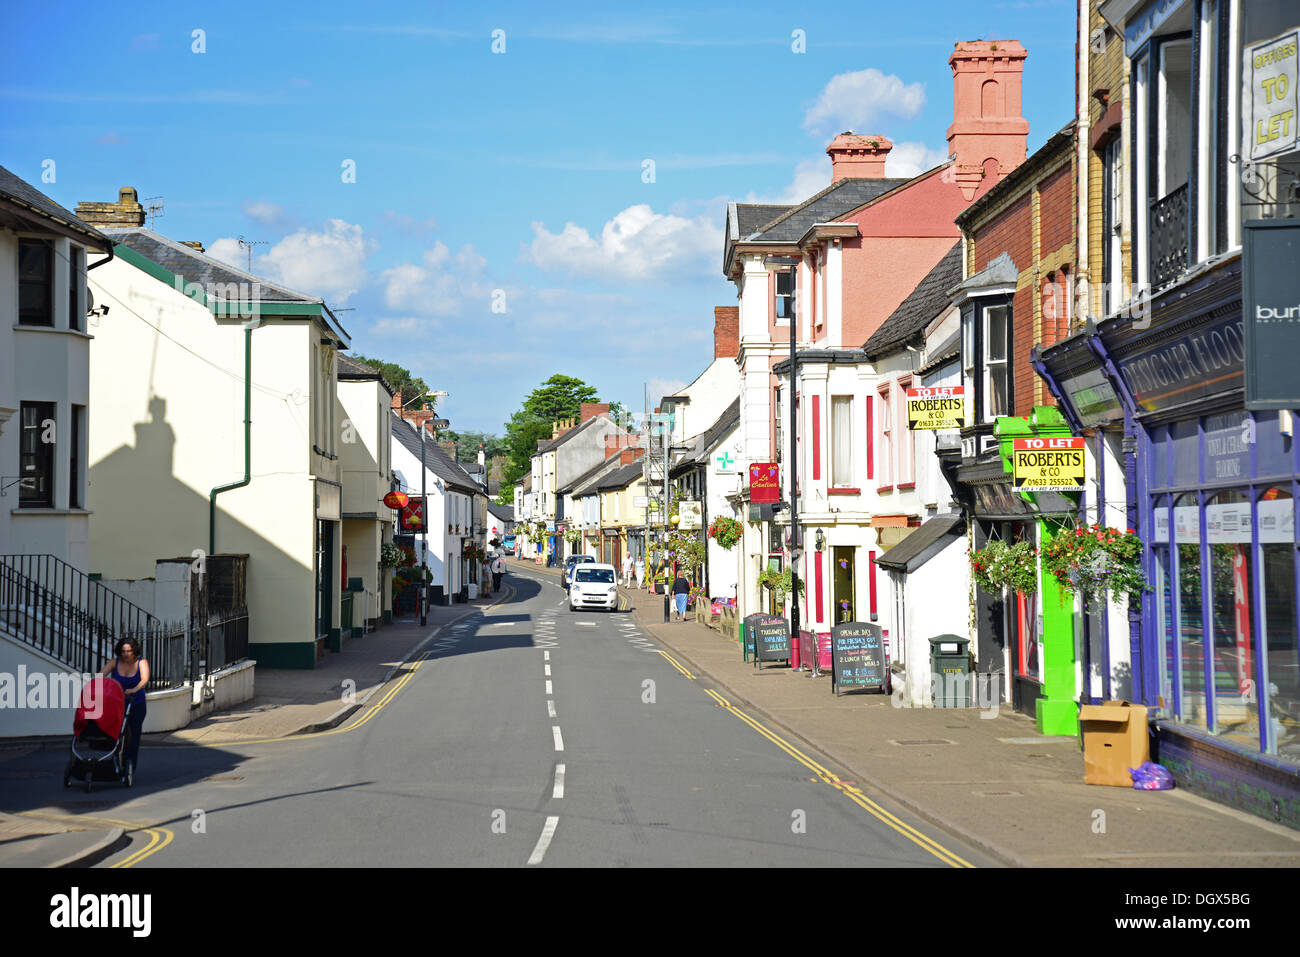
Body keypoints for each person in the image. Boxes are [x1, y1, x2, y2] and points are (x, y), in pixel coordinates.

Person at [100, 637, 149, 774]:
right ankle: (116, 762)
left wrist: (134, 690)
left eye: (129, 651)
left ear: (134, 651)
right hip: (117, 704)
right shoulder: (115, 663)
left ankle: (130, 765)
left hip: (136, 702)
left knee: (133, 735)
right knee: (117, 734)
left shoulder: (141, 663)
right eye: (123, 651)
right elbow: (100, 676)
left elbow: (144, 679)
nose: (126, 654)